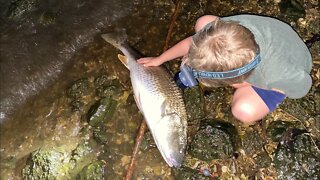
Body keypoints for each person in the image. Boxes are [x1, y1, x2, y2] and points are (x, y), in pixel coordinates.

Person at [138, 14, 312, 124]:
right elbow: (193, 42)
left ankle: (247, 87)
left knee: (243, 110)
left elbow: (302, 87)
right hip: (271, 35)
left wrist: (248, 85)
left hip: (291, 60)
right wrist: (160, 59)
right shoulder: (228, 32)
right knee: (204, 22)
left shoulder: (278, 72)